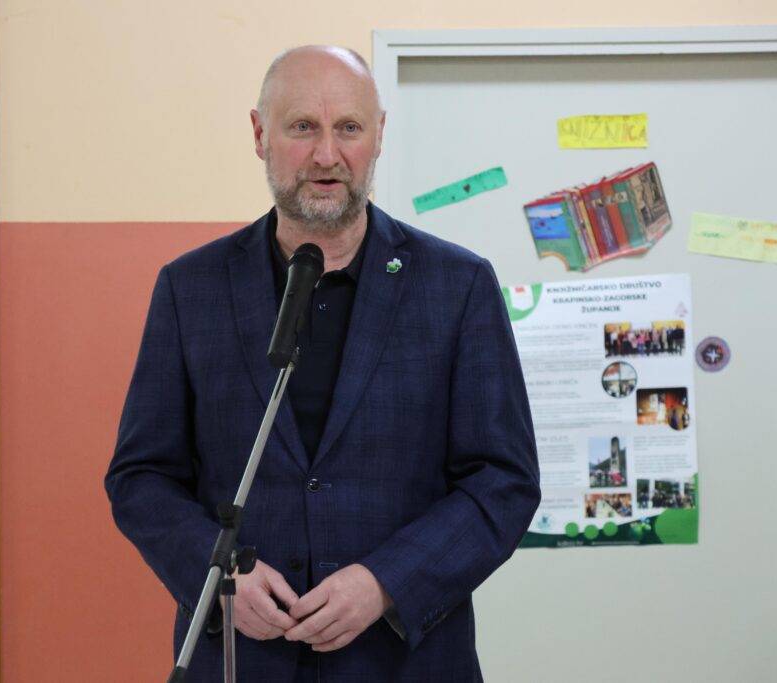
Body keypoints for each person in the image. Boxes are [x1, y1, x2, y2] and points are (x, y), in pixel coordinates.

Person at [104, 45, 540, 682]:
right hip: (243, 661)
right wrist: (216, 576)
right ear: (260, 135)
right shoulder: (190, 288)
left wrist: (386, 582)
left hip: (404, 664)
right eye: (303, 126)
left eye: (349, 128)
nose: (327, 155)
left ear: (379, 135)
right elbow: (141, 476)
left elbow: (503, 480)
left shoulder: (458, 286)